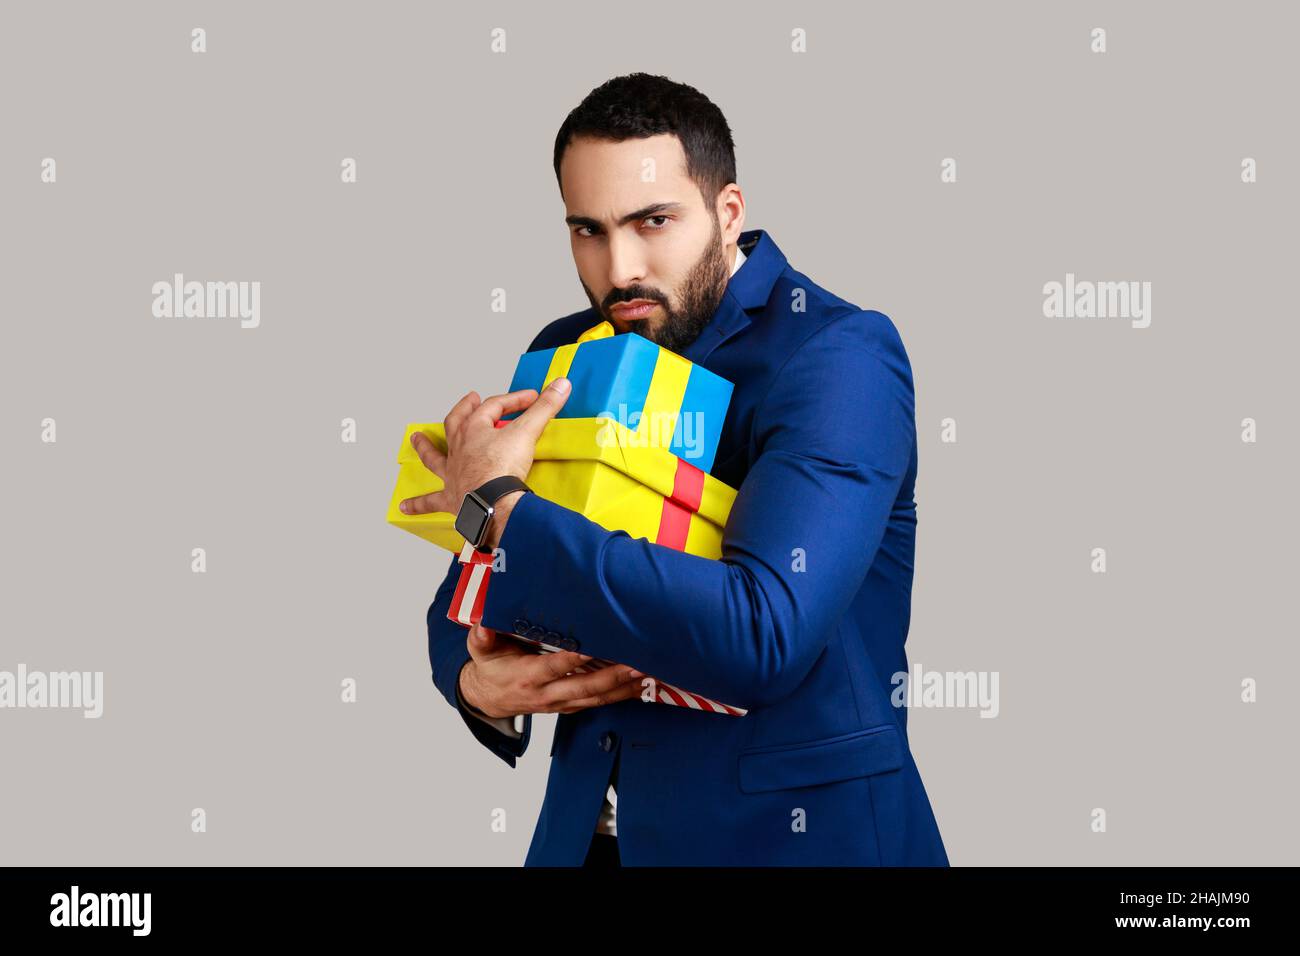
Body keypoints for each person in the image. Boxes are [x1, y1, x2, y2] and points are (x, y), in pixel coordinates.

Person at [403, 73, 949, 867]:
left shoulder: (837, 356)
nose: (619, 268)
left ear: (728, 213)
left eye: (652, 221)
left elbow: (763, 633)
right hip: (587, 839)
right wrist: (476, 686)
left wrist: (495, 503)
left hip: (793, 844)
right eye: (587, 230)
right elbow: (472, 591)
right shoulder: (575, 345)